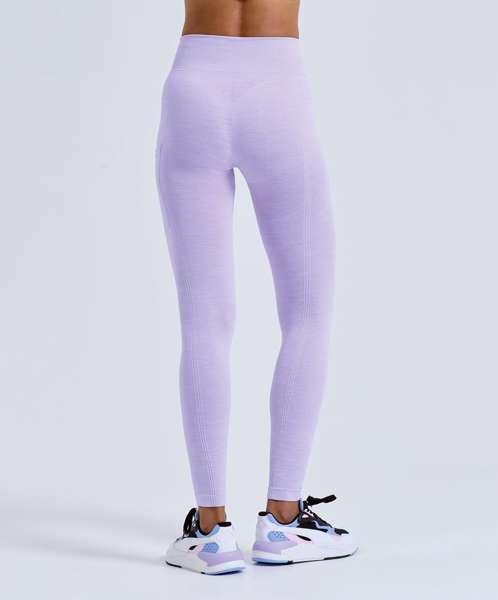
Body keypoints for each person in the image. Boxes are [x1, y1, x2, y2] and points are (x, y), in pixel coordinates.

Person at [155, 0, 357, 574]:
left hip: (194, 85)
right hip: (276, 88)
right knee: (307, 314)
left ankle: (210, 533)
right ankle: (284, 522)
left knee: (203, 322)